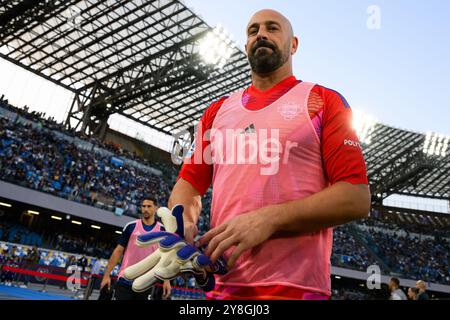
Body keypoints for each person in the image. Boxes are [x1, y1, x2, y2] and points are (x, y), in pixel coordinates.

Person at [166, 8, 371, 300]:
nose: (260, 34)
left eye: (272, 28)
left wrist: (268, 219)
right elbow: (188, 185)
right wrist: (184, 223)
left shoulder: (323, 101)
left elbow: (356, 196)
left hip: (298, 290)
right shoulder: (216, 112)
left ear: (294, 44)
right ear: (247, 45)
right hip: (222, 289)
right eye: (252, 31)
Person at [101, 196, 171, 300]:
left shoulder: (162, 230)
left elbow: (165, 256)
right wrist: (106, 275)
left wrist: (166, 281)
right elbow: (118, 251)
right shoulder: (131, 226)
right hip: (125, 279)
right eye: (143, 206)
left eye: (149, 206)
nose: (145, 209)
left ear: (156, 208)